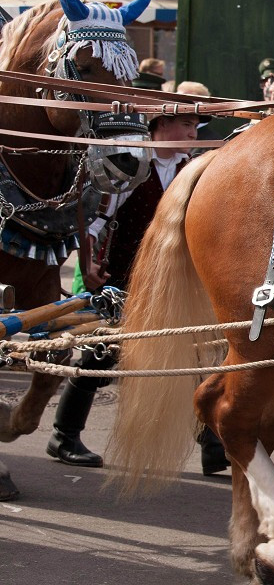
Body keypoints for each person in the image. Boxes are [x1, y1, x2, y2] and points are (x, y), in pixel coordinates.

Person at [46, 104, 227, 471]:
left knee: (195, 359)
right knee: (102, 357)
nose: (194, 133)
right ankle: (63, 435)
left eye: (196, 126)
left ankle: (212, 447)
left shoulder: (191, 170)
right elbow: (96, 222)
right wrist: (90, 263)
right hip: (124, 279)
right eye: (187, 124)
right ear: (162, 125)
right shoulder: (132, 165)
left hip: (173, 284)